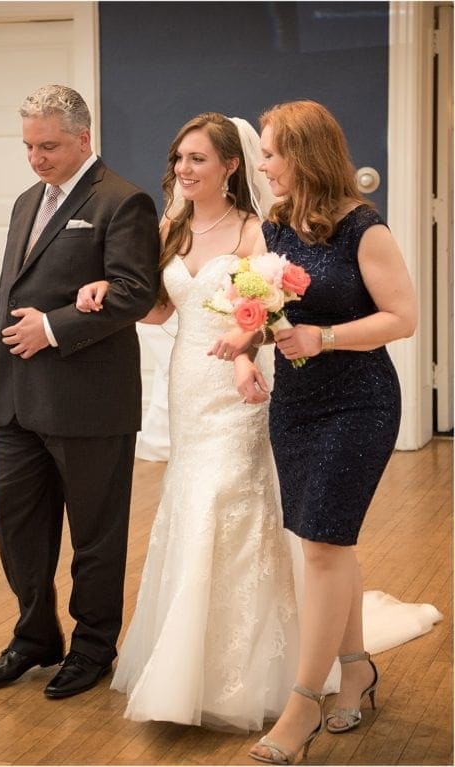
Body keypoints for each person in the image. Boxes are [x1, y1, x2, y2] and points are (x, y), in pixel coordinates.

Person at [77, 113, 298, 731]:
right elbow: (155, 308)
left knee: (226, 502)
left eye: (197, 159)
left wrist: (245, 357)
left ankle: (235, 670)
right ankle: (181, 656)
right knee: (188, 499)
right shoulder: (170, 226)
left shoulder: (256, 231)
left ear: (232, 165)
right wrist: (102, 286)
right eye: (179, 159)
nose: (183, 170)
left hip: (236, 387)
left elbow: (263, 314)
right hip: (187, 382)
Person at [0, 84, 160, 699]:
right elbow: (7, 293)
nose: (36, 158)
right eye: (28, 146)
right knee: (16, 525)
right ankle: (34, 638)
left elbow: (134, 293)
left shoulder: (122, 202)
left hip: (90, 401)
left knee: (96, 536)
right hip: (16, 399)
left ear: (83, 138)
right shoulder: (28, 201)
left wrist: (52, 328)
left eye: (48, 145)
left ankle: (94, 648)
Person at [246, 100, 418, 764]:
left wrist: (324, 336)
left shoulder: (363, 229)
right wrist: (248, 338)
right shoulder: (273, 228)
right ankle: (356, 668)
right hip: (295, 404)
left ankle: (302, 702)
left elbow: (401, 318)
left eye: (270, 151)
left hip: (359, 401)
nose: (263, 163)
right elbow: (264, 311)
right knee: (330, 543)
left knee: (322, 545)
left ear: (303, 154)